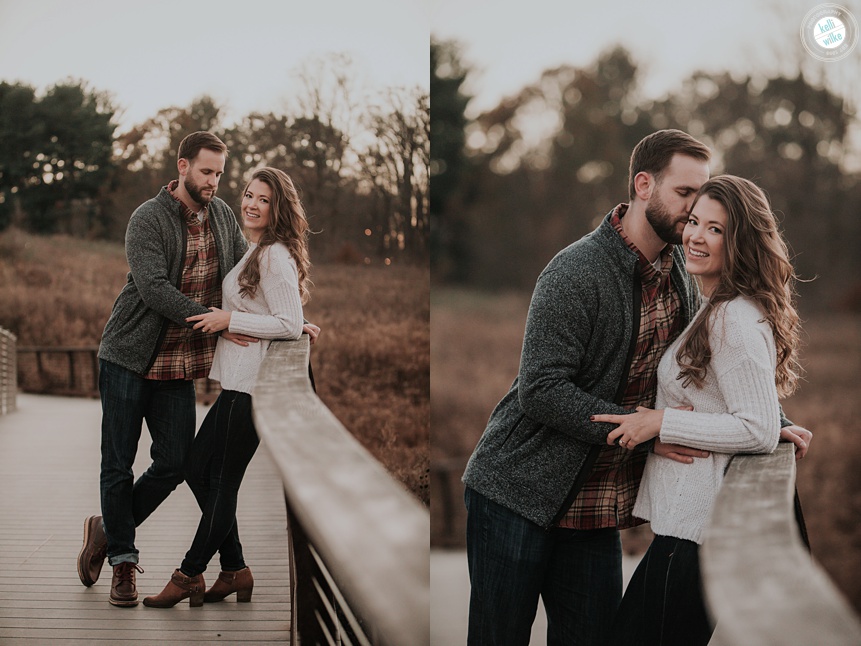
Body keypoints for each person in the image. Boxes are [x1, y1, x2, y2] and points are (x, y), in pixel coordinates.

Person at [460, 130, 813, 645]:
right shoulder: (574, 271)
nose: (695, 210)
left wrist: (769, 421)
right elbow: (541, 389)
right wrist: (645, 433)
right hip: (518, 493)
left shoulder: (683, 276)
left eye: (703, 196)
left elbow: (707, 371)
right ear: (643, 185)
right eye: (686, 194)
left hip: (596, 508)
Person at [76, 133, 318, 607]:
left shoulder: (224, 216)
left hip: (178, 365)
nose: (215, 182)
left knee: (174, 463)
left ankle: (106, 528)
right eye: (206, 172)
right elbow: (153, 288)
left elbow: (244, 279)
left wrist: (287, 321)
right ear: (183, 166)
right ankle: (123, 560)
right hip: (128, 356)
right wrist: (219, 325)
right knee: (118, 464)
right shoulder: (147, 218)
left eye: (221, 174)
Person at [594, 175, 803, 644]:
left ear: (742, 242)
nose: (695, 236)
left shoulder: (731, 318)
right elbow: (746, 410)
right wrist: (774, 421)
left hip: (695, 536)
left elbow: (756, 429)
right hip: (684, 532)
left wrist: (659, 421)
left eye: (716, 229)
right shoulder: (715, 307)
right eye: (694, 222)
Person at [142, 166, 310, 608]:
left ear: (279, 209)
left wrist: (229, 318)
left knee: (217, 477)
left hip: (252, 388)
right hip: (238, 383)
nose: (251, 204)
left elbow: (287, 322)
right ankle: (234, 568)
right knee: (199, 470)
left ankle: (188, 574)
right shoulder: (258, 251)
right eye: (249, 195)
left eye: (263, 200)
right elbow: (284, 315)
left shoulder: (274, 255)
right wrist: (267, 320)